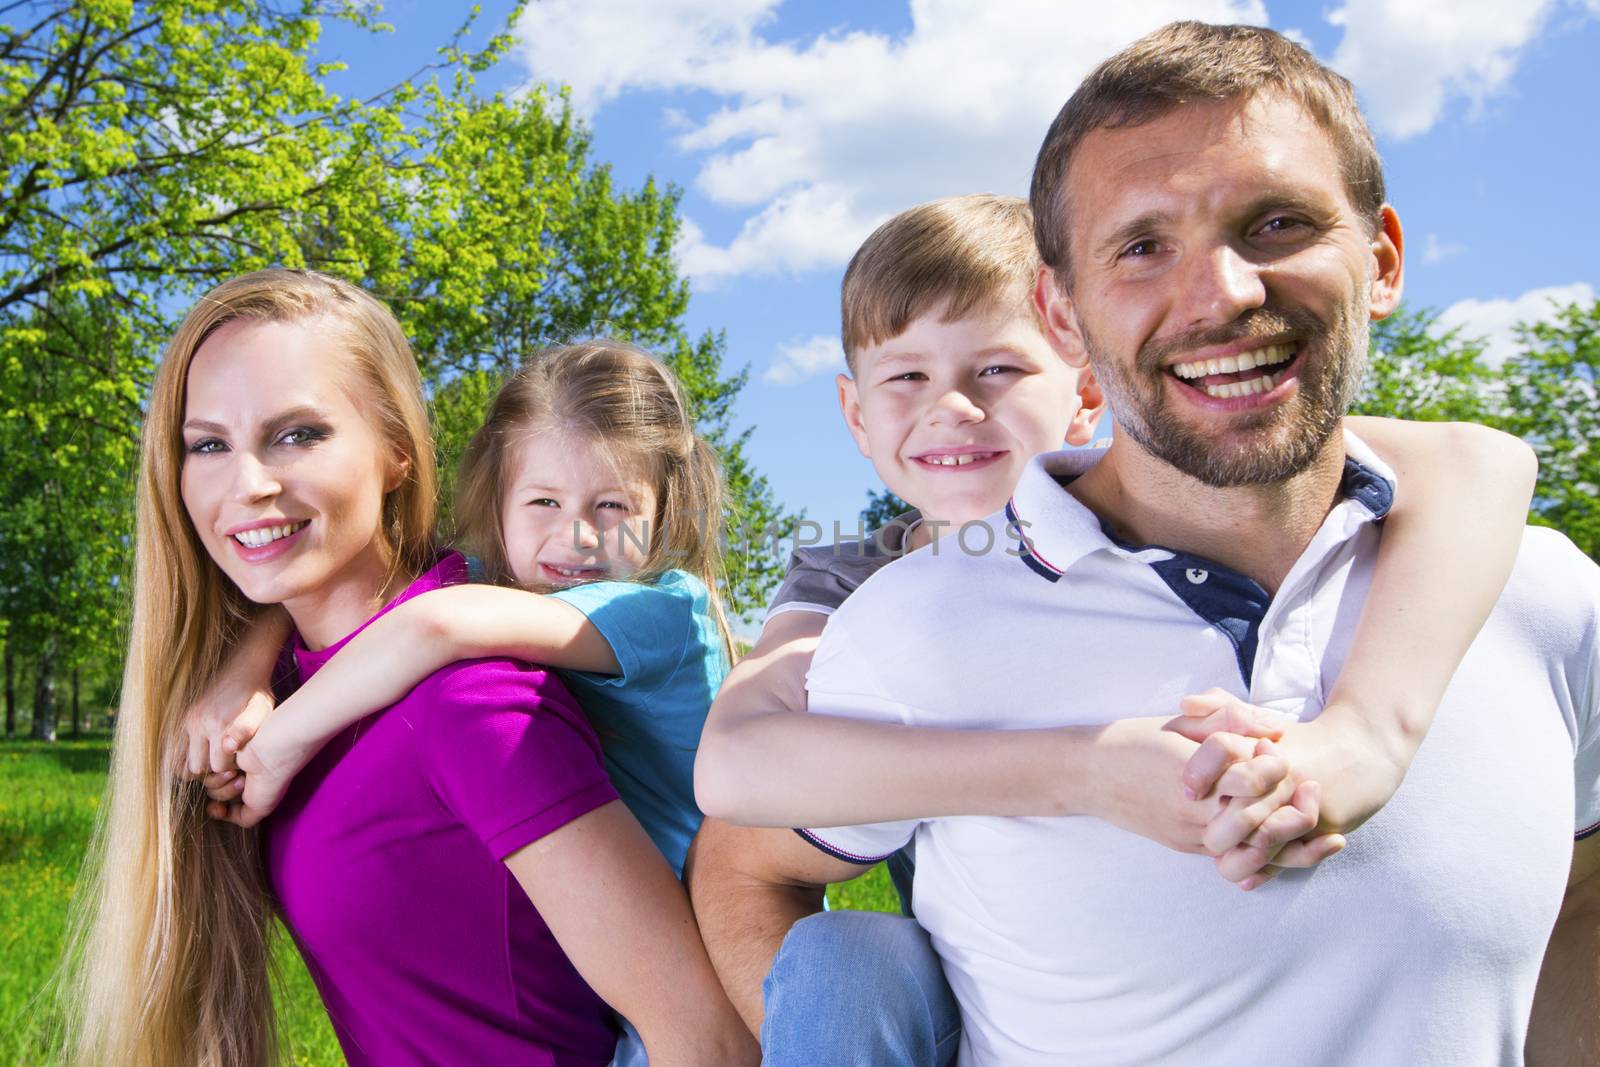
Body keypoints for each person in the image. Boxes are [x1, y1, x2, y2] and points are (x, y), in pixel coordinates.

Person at [687, 23, 1597, 1065]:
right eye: (1141, 245)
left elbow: (1476, 462)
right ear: (1065, 310)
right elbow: (740, 808)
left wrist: (1368, 733)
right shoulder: (886, 612)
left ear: (1380, 258)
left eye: (1276, 222)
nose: (1221, 294)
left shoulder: (1527, 584)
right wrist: (1079, 768)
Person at [61, 271, 755, 1067]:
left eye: (299, 434)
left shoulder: (474, 701)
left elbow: (709, 1041)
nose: (248, 484)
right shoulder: (273, 687)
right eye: (209, 443)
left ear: (397, 451)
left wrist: (276, 731)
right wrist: (248, 664)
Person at [194, 341, 731, 883]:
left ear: (660, 513)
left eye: (613, 506)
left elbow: (431, 624)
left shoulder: (662, 610)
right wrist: (246, 674)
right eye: (544, 502)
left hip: (708, 929)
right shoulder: (496, 589)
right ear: (498, 502)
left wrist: (278, 746)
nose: (579, 536)